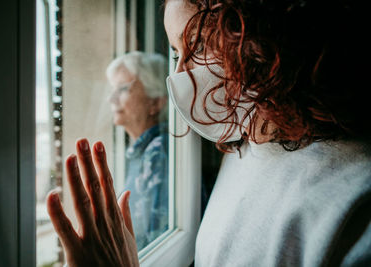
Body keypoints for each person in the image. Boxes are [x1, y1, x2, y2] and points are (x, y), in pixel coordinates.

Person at [46, 0, 371, 266]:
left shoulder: (356, 205)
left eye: (197, 45)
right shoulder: (244, 149)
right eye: (176, 53)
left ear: (264, 39)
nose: (178, 76)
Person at [106, 51, 169, 250]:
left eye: (123, 89)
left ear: (156, 103)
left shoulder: (158, 153)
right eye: (113, 90)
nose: (112, 99)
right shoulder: (140, 153)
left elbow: (155, 243)